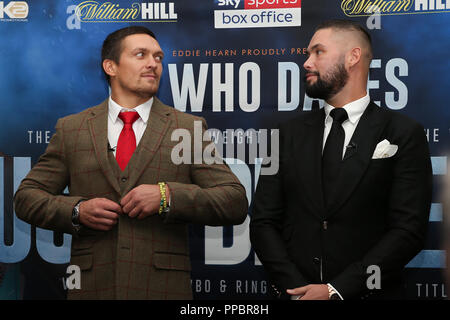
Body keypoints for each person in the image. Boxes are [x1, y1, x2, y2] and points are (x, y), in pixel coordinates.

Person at [13, 26, 248, 300]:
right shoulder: (72, 129)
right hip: (92, 289)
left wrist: (167, 196)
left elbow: (234, 200)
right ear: (110, 66)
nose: (153, 64)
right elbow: (26, 198)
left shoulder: (187, 128)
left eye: (158, 57)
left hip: (162, 290)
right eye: (141, 55)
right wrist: (76, 210)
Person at [250, 20, 432, 300]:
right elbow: (263, 221)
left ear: (353, 57)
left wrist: (337, 290)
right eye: (308, 54)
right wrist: (296, 290)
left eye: (318, 52)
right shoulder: (285, 135)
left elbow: (408, 230)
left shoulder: (403, 133)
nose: (307, 63)